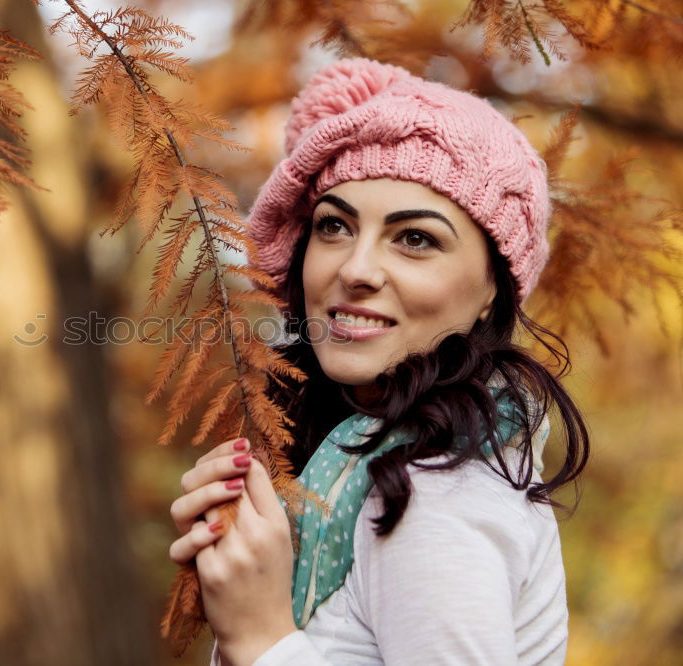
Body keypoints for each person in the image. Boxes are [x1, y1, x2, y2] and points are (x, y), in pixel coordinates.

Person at [167, 58, 590, 665]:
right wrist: (243, 575)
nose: (355, 269)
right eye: (335, 226)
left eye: (415, 238)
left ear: (492, 287)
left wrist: (260, 636)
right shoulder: (358, 458)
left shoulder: (441, 493)